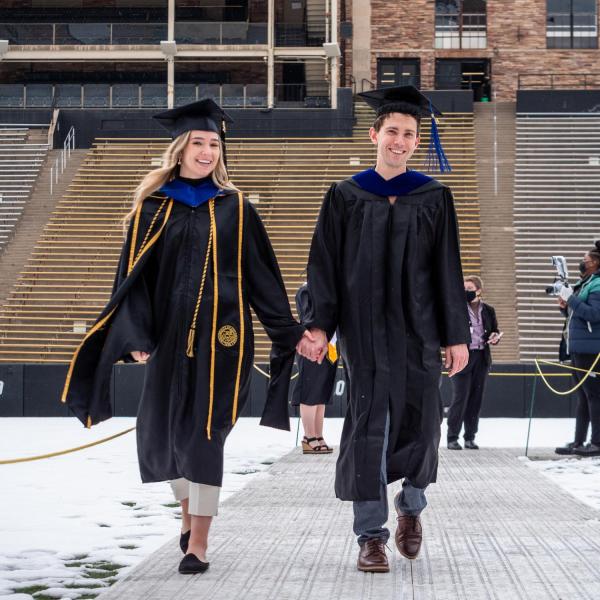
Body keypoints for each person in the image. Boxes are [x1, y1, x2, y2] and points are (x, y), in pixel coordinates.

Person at [60, 99, 309, 575]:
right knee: (165, 438)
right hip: (168, 340)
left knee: (206, 437)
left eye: (215, 143)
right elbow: (132, 280)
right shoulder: (153, 208)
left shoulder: (235, 207)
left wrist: (290, 332)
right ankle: (187, 512)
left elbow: (263, 279)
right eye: (199, 142)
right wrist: (135, 335)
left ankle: (199, 541)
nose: (208, 151)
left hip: (225, 341)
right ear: (179, 148)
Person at [297, 85, 470, 572]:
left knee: (423, 422)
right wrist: (318, 327)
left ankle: (411, 511)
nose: (399, 140)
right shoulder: (346, 195)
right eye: (391, 131)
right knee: (368, 428)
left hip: (421, 333)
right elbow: (324, 267)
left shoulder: (434, 198)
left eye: (409, 134)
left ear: (418, 141)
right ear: (374, 134)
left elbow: (448, 271)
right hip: (365, 334)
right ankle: (369, 536)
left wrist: (456, 334)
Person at [555, 242, 600, 457]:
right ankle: (579, 440)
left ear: (596, 263)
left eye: (586, 261)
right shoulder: (587, 282)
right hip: (578, 347)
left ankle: (597, 442)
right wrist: (565, 306)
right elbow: (576, 316)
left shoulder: (598, 284)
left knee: (594, 396)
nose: (582, 264)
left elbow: (594, 315)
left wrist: (571, 299)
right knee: (583, 397)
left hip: (592, 349)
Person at [446, 275, 501, 450]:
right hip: (463, 357)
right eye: (463, 289)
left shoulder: (488, 310)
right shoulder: (457, 309)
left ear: (478, 290)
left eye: (469, 289)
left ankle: (470, 437)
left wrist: (494, 337)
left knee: (476, 399)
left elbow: (494, 330)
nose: (465, 292)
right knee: (460, 398)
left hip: (481, 357)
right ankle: (452, 437)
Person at [291, 282, 337, 454]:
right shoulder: (306, 290)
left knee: (321, 393)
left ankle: (318, 435)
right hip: (311, 345)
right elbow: (308, 319)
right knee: (310, 392)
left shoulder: (328, 291)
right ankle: (309, 436)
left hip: (330, 346)